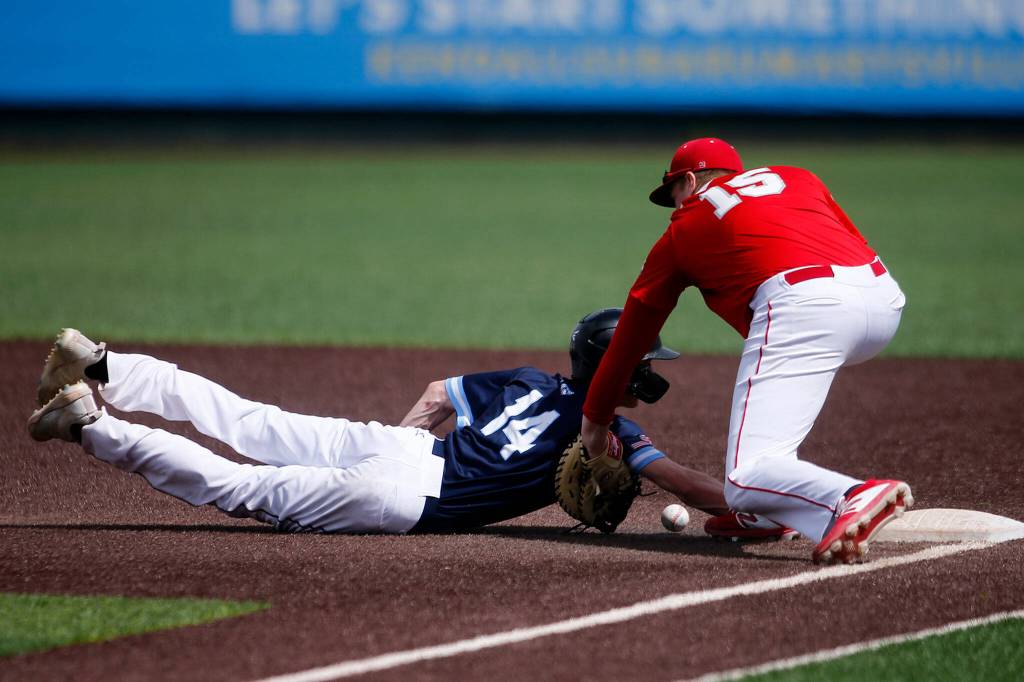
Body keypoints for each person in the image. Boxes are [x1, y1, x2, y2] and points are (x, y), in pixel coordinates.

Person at [28, 312, 792, 536]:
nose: (650, 369)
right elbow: (695, 488)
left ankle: (103, 364)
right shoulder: (615, 438)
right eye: (641, 358)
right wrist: (772, 506)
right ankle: (90, 422)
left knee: (251, 420)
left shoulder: (529, 380)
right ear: (615, 366)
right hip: (403, 494)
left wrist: (393, 448)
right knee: (242, 486)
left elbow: (435, 393)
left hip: (399, 446)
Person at [579, 138, 913, 564]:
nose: (675, 206)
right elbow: (848, 239)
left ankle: (851, 495)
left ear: (687, 180)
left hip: (805, 306)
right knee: (769, 450)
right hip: (882, 298)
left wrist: (595, 422)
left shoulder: (687, 224)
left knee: (744, 477)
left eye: (674, 195)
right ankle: (766, 514)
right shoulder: (799, 177)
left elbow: (635, 329)